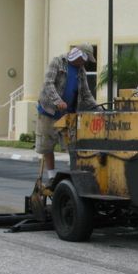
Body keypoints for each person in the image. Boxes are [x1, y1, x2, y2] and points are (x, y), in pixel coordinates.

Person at [36, 44, 98, 181]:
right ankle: (51, 176)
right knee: (47, 145)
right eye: (85, 59)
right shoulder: (57, 62)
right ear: (80, 55)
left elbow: (86, 94)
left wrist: (98, 108)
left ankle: (74, 173)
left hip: (67, 114)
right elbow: (48, 84)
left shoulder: (81, 71)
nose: (85, 62)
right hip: (49, 111)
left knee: (73, 144)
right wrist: (58, 101)